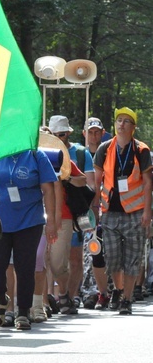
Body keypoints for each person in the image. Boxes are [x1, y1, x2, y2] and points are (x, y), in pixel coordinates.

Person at [0, 149, 57, 331]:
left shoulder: (36, 156)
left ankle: (23, 312)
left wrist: (51, 221)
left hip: (29, 220)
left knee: (25, 267)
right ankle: (2, 300)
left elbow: (48, 190)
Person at [93, 107, 152, 315]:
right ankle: (117, 290)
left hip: (134, 211)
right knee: (113, 258)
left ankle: (127, 299)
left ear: (133, 127)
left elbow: (147, 183)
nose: (122, 124)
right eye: (119, 120)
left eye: (126, 121)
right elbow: (97, 181)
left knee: (132, 259)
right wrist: (95, 209)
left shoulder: (141, 150)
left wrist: (147, 212)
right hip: (109, 211)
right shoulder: (104, 149)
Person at [47, 114, 93, 315]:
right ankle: (44, 301)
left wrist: (66, 179)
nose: (59, 138)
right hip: (38, 216)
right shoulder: (38, 154)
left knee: (59, 264)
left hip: (65, 216)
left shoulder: (67, 157)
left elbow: (84, 180)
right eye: (54, 135)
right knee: (40, 261)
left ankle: (64, 293)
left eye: (62, 134)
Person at [83, 116, 111, 309]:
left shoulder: (109, 155)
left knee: (102, 249)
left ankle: (106, 290)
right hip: (84, 209)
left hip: (105, 208)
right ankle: (88, 292)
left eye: (97, 132)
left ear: (102, 133)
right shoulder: (79, 155)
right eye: (90, 132)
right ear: (85, 134)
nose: (94, 136)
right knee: (89, 250)